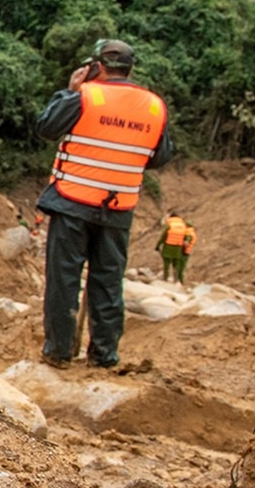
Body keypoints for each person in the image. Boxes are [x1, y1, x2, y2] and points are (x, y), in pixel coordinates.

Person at [35, 39, 173, 369]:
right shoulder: (154, 106)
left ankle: (58, 352)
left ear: (98, 66)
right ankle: (104, 355)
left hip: (73, 202)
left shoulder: (86, 96)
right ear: (131, 68)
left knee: (64, 280)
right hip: (119, 208)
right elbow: (160, 156)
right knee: (109, 282)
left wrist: (69, 90)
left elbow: (46, 127)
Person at [155, 212, 188, 283]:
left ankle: (165, 279)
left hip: (168, 247)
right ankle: (175, 280)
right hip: (178, 248)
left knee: (166, 265)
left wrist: (158, 246)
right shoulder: (183, 225)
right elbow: (185, 237)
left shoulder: (169, 225)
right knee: (176, 265)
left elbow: (163, 237)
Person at [179, 220, 196, 285]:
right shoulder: (192, 232)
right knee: (182, 267)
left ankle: (181, 282)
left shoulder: (188, 233)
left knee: (181, 268)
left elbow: (186, 243)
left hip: (184, 252)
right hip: (187, 252)